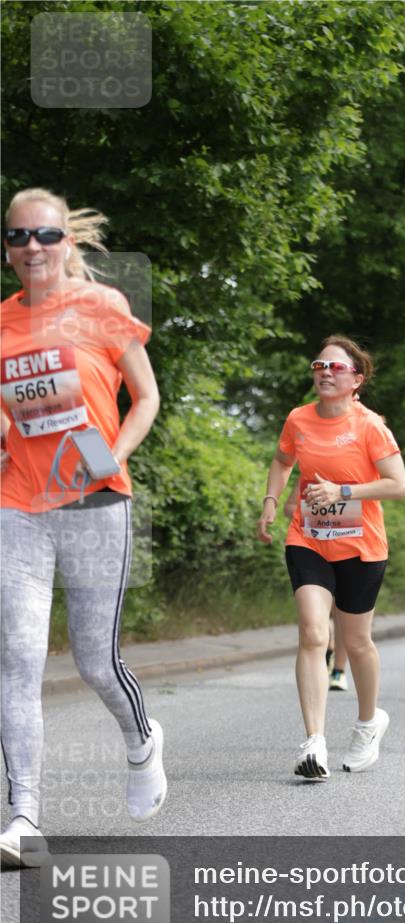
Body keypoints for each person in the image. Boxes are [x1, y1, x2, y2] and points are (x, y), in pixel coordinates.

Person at [0, 188, 166, 865]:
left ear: (67, 242)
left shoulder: (102, 307)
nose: (31, 248)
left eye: (44, 235)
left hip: (95, 500)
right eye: (17, 237)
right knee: (16, 657)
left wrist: (111, 457)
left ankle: (143, 740)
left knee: (96, 661)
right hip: (19, 505)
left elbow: (146, 396)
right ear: (7, 249)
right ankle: (22, 816)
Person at [257, 336, 405, 780]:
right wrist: (272, 499)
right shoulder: (298, 418)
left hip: (362, 545)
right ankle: (314, 742)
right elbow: (283, 460)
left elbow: (397, 485)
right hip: (309, 538)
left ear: (355, 380)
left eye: (335, 367)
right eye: (319, 364)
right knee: (311, 632)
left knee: (356, 642)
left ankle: (367, 725)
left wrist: (344, 492)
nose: (324, 371)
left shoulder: (369, 425)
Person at [284, 480, 349, 691]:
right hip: (316, 551)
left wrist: (345, 515)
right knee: (319, 614)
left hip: (350, 553)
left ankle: (339, 671)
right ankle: (327, 648)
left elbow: (375, 514)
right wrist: (319, 514)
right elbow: (290, 508)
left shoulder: (359, 478)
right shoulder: (310, 476)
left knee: (344, 614)